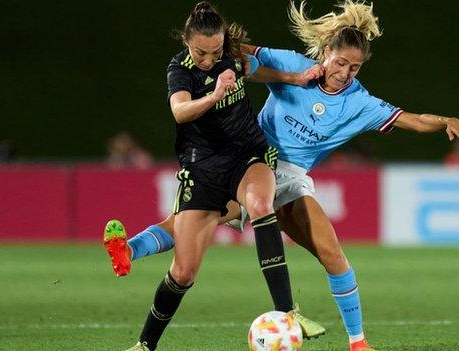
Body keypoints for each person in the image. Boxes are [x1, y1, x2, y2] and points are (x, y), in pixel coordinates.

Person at [108, 1, 459, 350]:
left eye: (355, 68)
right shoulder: (293, 65)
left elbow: (412, 119)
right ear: (325, 53)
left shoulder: (359, 103)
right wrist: (214, 58)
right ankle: (133, 255)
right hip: (248, 159)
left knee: (331, 251)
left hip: (291, 177)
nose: (344, 73)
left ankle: (358, 341)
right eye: (340, 62)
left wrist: (446, 120)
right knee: (195, 227)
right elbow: (239, 53)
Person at [103, 3, 323, 351]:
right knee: (184, 271)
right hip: (202, 167)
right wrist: (215, 94)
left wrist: (293, 78)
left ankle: (287, 313)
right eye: (200, 52)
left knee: (260, 204)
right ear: (186, 41)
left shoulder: (230, 56)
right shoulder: (180, 70)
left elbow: (255, 69)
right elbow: (180, 111)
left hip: (247, 155)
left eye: (215, 51)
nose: (208, 59)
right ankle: (144, 344)